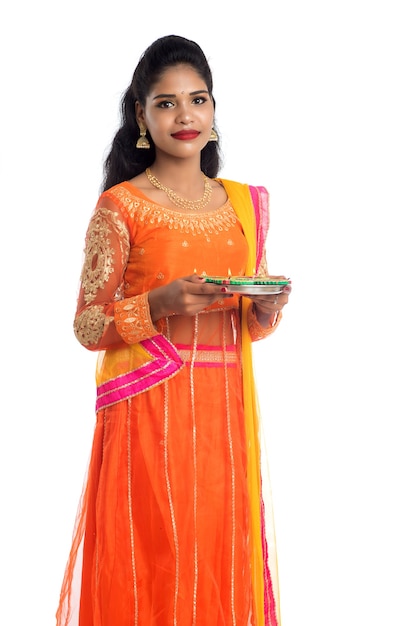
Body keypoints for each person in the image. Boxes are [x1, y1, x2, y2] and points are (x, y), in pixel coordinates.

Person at [56, 34, 291, 626]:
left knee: (220, 566)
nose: (185, 116)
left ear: (214, 110)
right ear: (141, 114)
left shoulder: (244, 205)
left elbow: (248, 321)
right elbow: (87, 323)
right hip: (146, 417)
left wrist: (265, 308)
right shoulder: (122, 205)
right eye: (166, 103)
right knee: (152, 569)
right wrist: (156, 303)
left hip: (224, 419)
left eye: (199, 100)